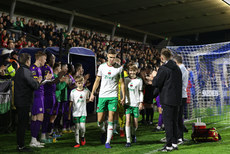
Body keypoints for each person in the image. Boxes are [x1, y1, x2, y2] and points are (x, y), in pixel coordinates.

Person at [89, 48, 125, 149]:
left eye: (114, 58)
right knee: (99, 120)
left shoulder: (119, 68)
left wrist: (123, 96)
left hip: (113, 96)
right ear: (107, 56)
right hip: (102, 96)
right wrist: (92, 93)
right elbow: (97, 80)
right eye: (110, 57)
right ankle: (104, 131)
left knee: (111, 118)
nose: (112, 60)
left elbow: (122, 83)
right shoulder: (101, 67)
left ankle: (107, 142)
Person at [152, 48, 182, 152]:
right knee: (174, 121)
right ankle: (174, 143)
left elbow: (156, 83)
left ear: (161, 57)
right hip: (177, 99)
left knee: (168, 123)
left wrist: (154, 77)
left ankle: (169, 145)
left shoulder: (163, 68)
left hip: (167, 100)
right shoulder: (177, 68)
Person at [14, 53, 41, 152]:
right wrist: (38, 81)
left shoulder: (19, 70)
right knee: (22, 124)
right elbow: (34, 85)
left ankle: (20, 144)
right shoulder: (26, 71)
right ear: (27, 61)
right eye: (30, 60)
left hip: (19, 101)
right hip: (24, 102)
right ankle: (21, 146)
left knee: (21, 124)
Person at [29, 51, 52, 148]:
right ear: (40, 58)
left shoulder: (38, 68)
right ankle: (33, 140)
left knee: (37, 118)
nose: (45, 61)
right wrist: (45, 79)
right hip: (37, 95)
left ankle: (34, 140)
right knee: (37, 117)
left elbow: (39, 82)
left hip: (40, 95)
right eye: (44, 59)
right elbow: (36, 84)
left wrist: (46, 79)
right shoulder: (34, 69)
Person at [124, 63, 143, 147]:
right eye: (130, 70)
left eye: (133, 70)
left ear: (136, 71)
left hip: (135, 103)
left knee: (135, 123)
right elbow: (123, 91)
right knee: (127, 121)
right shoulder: (125, 80)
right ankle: (128, 141)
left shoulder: (139, 80)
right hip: (128, 103)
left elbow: (140, 92)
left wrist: (141, 102)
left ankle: (133, 134)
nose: (132, 72)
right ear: (128, 71)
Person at [68, 76, 90, 148]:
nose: (80, 85)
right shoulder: (73, 92)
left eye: (81, 83)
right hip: (75, 112)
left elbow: (86, 100)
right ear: (76, 83)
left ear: (83, 83)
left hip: (83, 112)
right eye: (78, 83)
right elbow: (71, 103)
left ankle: (82, 137)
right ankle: (77, 142)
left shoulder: (86, 91)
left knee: (82, 127)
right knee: (77, 127)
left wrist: (89, 100)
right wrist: (69, 113)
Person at [173, 55, 189, 144]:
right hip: (182, 95)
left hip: (180, 95)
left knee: (177, 117)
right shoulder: (184, 69)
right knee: (179, 117)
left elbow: (178, 83)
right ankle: (180, 137)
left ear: (176, 61)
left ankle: (179, 137)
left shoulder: (181, 69)